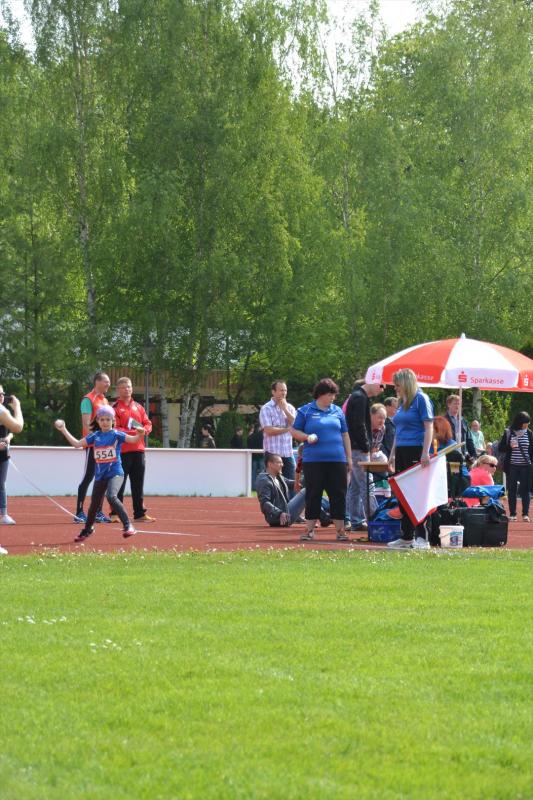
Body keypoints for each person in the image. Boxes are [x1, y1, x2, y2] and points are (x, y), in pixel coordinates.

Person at [55, 406, 144, 542]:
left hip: (115, 473)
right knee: (93, 505)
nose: (105, 422)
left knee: (111, 496)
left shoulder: (117, 434)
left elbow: (133, 440)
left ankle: (128, 525)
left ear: (113, 420)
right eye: (102, 419)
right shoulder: (94, 436)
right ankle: (87, 529)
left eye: (108, 419)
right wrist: (63, 430)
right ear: (97, 421)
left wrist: (140, 434)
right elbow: (77, 444)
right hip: (100, 476)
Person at [290, 378, 353, 542]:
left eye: (334, 395)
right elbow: (294, 431)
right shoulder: (305, 410)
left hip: (337, 460)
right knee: (313, 493)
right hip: (313, 460)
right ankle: (309, 530)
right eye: (330, 394)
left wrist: (349, 457)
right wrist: (306, 437)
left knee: (338, 494)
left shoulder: (338, 411)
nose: (333, 398)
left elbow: (345, 434)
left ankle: (340, 530)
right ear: (321, 394)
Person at [387, 368, 434, 550]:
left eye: (397, 385)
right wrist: (392, 454)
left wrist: (425, 452)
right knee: (403, 494)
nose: (395, 388)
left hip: (416, 449)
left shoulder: (421, 399)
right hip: (401, 450)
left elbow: (428, 427)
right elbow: (398, 431)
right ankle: (406, 537)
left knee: (417, 494)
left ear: (406, 383)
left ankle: (422, 536)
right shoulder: (402, 402)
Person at [112, 376, 155, 524]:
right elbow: (115, 429)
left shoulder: (139, 407)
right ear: (118, 390)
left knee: (138, 483)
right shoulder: (114, 408)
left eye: (129, 386)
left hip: (139, 450)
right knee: (120, 483)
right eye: (124, 387)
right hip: (122, 452)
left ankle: (139, 513)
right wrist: (135, 432)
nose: (127, 389)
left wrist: (145, 430)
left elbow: (148, 423)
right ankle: (115, 513)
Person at [344, 380, 384, 531]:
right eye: (381, 385)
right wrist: (366, 446)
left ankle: (356, 520)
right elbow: (358, 424)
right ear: (373, 382)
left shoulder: (357, 396)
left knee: (355, 487)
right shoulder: (360, 397)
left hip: (354, 447)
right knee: (367, 485)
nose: (382, 390)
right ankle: (376, 521)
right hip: (359, 448)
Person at [74, 371, 112, 524]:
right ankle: (79, 512)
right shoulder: (88, 399)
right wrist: (97, 440)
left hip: (105, 447)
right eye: (106, 381)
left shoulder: (105, 400)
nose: (109, 384)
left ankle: (98, 512)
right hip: (93, 445)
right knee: (88, 477)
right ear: (97, 381)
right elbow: (86, 424)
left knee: (102, 478)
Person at [0, 389, 24, 554]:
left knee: (1, 484)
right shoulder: (2, 411)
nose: (2, 397)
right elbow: (18, 427)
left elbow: (11, 432)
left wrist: (7, 439)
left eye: (3, 393)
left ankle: (4, 513)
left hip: (3, 455)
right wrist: (17, 407)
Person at [498, 411, 533, 522]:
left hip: (526, 466)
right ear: (519, 422)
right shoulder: (509, 432)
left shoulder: (529, 433)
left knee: (525, 490)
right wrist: (510, 446)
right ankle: (513, 514)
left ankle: (525, 514)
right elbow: (500, 447)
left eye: (528, 423)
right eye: (525, 423)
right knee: (512, 490)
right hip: (512, 466)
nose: (527, 425)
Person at [259, 380, 296, 481]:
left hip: (288, 453)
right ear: (273, 392)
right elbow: (269, 430)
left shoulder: (290, 408)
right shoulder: (266, 408)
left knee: (291, 484)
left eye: (285, 390)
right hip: (272, 453)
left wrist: (285, 409)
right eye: (281, 390)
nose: (284, 393)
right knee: (273, 484)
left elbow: (296, 425)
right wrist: (288, 429)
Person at [256, 453, 306, 527]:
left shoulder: (277, 476)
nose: (282, 465)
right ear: (270, 464)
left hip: (285, 512)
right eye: (279, 462)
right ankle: (315, 518)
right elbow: (265, 502)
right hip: (279, 517)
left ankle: (317, 517)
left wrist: (309, 477)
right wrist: (280, 513)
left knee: (312, 488)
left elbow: (293, 483)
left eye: (282, 462)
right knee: (307, 491)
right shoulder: (264, 480)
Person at [444, 394, 476, 463]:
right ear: (449, 405)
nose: (457, 406)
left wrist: (473, 454)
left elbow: (469, 439)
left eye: (459, 404)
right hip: (448, 457)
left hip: (462, 456)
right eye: (455, 403)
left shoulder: (463, 421)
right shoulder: (443, 420)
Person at [247, 422, 264, 487]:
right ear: (259, 427)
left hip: (253, 456)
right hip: (261, 455)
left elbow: (248, 445)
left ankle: (253, 486)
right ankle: (261, 485)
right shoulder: (262, 435)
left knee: (253, 471)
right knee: (262, 471)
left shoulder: (251, 436)